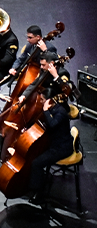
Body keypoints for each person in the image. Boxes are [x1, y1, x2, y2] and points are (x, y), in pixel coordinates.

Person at [25, 54, 76, 204]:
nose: (40, 102)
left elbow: (52, 125)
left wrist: (46, 111)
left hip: (61, 147)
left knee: (36, 163)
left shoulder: (60, 112)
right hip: (55, 142)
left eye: (42, 100)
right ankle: (34, 181)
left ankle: (38, 193)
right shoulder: (53, 108)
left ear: (49, 101)